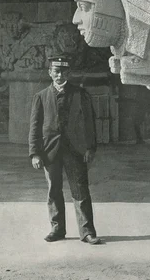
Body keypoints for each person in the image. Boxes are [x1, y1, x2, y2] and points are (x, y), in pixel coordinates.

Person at [28, 56, 102, 244]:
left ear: (68, 73)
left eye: (63, 72)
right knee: (54, 190)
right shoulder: (41, 96)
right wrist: (35, 153)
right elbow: (35, 127)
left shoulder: (80, 94)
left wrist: (89, 147)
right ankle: (57, 229)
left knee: (80, 190)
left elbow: (89, 123)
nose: (59, 75)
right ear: (50, 73)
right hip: (50, 151)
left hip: (75, 150)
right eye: (56, 71)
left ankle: (87, 232)